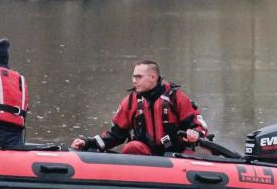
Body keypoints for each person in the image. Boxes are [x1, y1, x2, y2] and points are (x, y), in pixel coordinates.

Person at [72, 60, 208, 155]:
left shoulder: (176, 97)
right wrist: (88, 143)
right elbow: (115, 136)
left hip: (176, 155)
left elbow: (199, 126)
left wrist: (194, 134)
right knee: (132, 147)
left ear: (153, 77)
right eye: (133, 77)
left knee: (192, 156)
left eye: (138, 77)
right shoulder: (131, 101)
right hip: (144, 157)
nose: (134, 81)